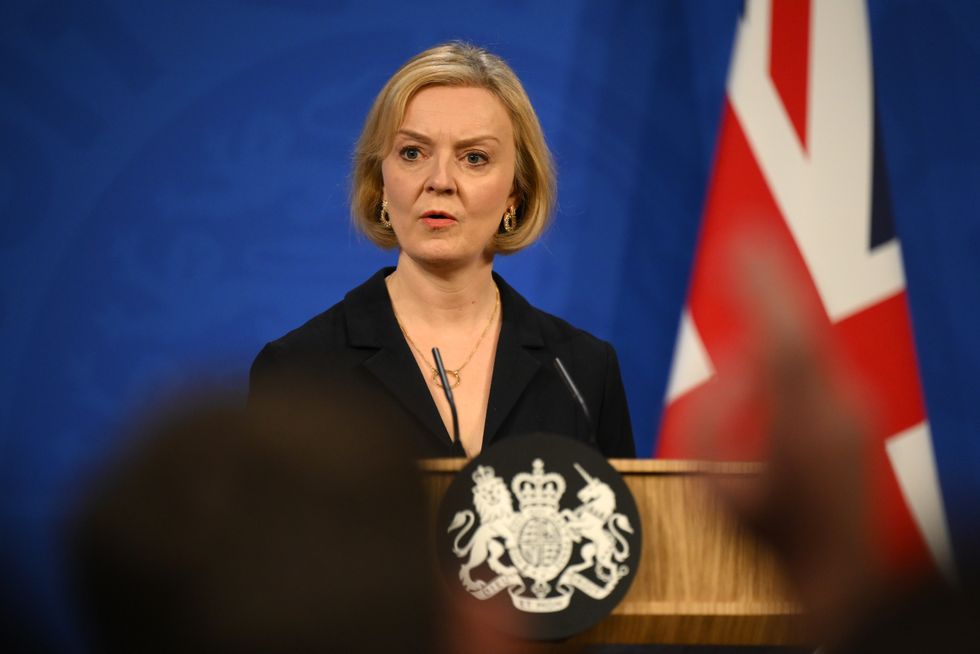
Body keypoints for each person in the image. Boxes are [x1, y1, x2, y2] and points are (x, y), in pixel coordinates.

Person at [250, 42, 635, 459]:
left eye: (474, 158)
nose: (440, 180)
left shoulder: (581, 373)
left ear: (515, 193)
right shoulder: (300, 369)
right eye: (412, 153)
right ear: (380, 181)